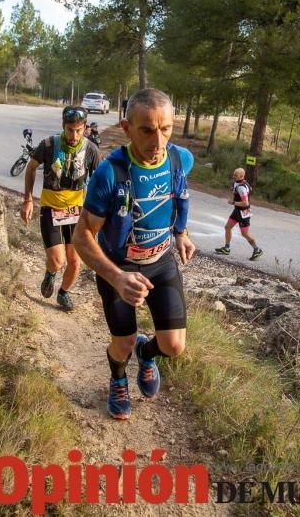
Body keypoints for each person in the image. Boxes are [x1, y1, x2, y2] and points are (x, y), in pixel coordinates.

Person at [73, 88, 195, 420]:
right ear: (127, 128)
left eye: (166, 129)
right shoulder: (108, 174)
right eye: (147, 130)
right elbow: (82, 235)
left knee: (174, 346)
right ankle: (117, 377)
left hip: (162, 261)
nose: (158, 141)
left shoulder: (179, 158)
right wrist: (116, 276)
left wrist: (181, 234)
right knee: (122, 342)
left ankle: (147, 350)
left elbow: (178, 196)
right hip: (120, 266)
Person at [21, 106, 100, 310]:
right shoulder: (48, 145)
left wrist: (98, 214)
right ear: (63, 126)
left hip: (76, 212)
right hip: (51, 209)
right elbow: (30, 168)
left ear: (85, 129)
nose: (74, 135)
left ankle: (63, 293)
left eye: (79, 130)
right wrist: (28, 200)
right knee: (57, 260)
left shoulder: (91, 150)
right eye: (69, 129)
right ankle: (51, 272)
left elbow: (99, 181)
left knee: (75, 262)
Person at [215, 167, 263, 261]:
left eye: (235, 175)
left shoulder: (241, 187)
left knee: (245, 234)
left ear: (241, 176)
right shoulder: (241, 183)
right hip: (237, 211)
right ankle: (227, 248)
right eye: (234, 174)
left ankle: (257, 249)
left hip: (243, 211)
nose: (233, 176)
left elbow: (246, 203)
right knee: (227, 227)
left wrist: (233, 202)